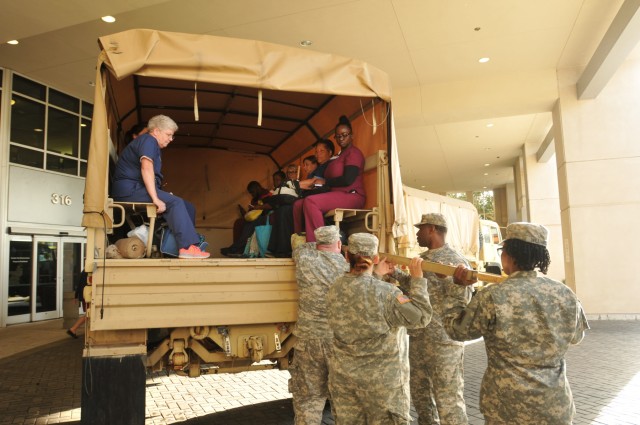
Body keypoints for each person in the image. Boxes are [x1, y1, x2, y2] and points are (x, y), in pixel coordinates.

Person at [445, 222, 590, 425]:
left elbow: (457, 331)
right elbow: (576, 337)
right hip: (554, 406)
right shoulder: (565, 294)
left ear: (509, 254)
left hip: (505, 408)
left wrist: (457, 291)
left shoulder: (492, 296)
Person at [327, 233, 433, 425]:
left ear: (347, 256)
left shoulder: (335, 288)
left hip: (344, 381)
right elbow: (421, 317)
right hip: (383, 387)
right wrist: (417, 279)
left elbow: (361, 291)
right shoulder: (387, 293)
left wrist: (376, 275)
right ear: (376, 259)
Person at [390, 213, 472, 424]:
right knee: (421, 398)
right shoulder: (423, 260)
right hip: (419, 338)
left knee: (448, 400)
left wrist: (454, 282)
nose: (417, 233)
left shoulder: (456, 261)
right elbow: (413, 286)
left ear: (433, 229)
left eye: (421, 229)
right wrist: (395, 273)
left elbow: (465, 299)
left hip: (444, 341)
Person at [112, 114, 209, 259]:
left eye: (172, 136)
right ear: (156, 131)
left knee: (188, 206)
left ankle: (181, 247)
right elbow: (146, 169)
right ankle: (186, 248)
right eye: (169, 134)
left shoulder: (150, 144)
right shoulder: (149, 140)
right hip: (129, 190)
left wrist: (159, 194)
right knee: (175, 203)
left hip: (136, 188)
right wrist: (156, 198)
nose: (171, 139)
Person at [289, 225, 349, 424]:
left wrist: (315, 244)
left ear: (318, 244)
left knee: (309, 398)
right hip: (338, 342)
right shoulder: (347, 267)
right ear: (339, 244)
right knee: (342, 399)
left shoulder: (305, 260)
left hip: (309, 340)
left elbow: (299, 247)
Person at [294, 117, 365, 241]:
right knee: (298, 204)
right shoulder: (339, 156)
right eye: (338, 136)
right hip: (336, 193)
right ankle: (300, 243)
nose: (341, 138)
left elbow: (348, 180)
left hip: (351, 195)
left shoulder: (353, 153)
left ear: (351, 136)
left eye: (344, 135)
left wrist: (325, 182)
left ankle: (320, 246)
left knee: (311, 202)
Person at [67, 269, 88, 338]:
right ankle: (73, 329)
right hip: (87, 296)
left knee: (88, 314)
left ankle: (73, 329)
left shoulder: (84, 271)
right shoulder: (88, 271)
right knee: (89, 314)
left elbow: (79, 284)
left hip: (84, 295)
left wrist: (76, 296)